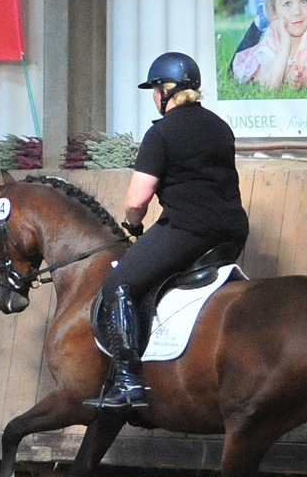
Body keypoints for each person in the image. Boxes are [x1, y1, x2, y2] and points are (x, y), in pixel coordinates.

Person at [84, 52, 250, 409]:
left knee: (119, 284)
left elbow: (137, 197)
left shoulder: (161, 133)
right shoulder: (220, 127)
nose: (154, 97)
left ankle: (127, 380)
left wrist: (132, 224)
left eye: (154, 89)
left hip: (188, 230)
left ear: (165, 90)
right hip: (232, 232)